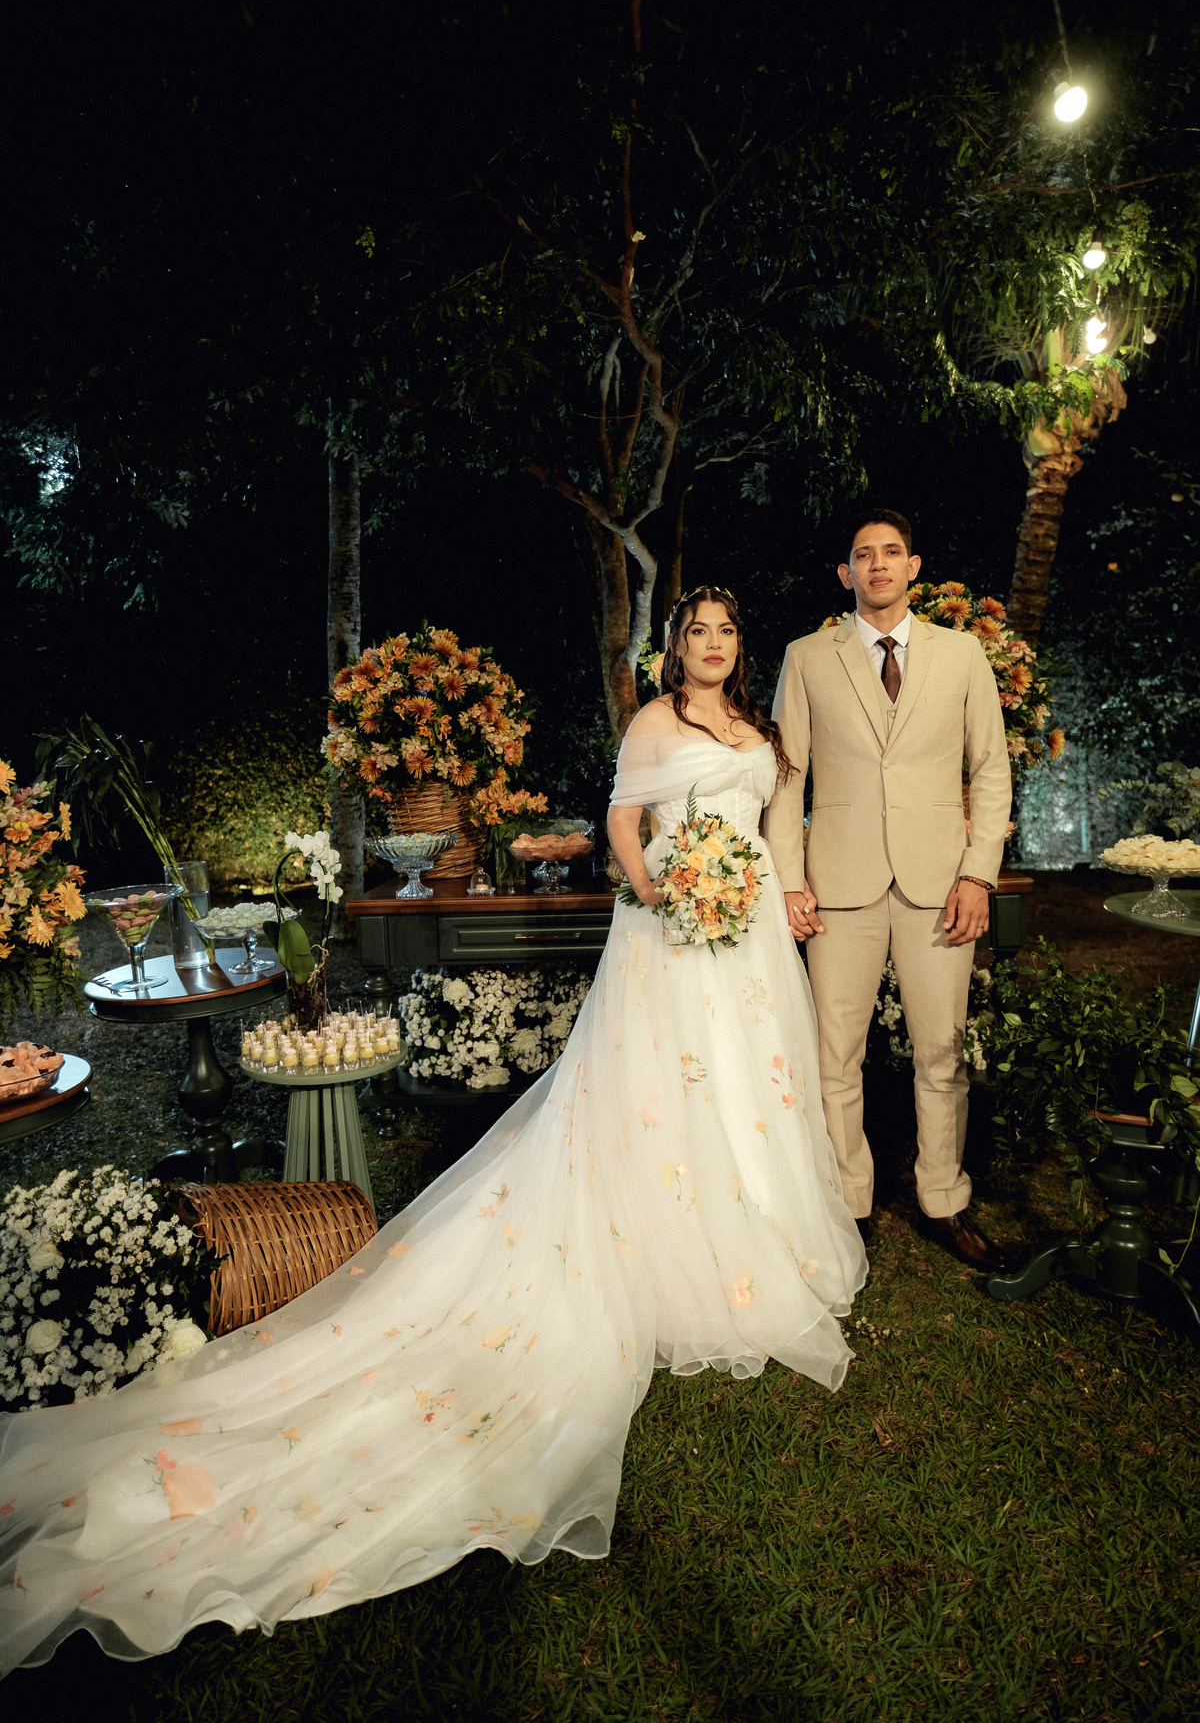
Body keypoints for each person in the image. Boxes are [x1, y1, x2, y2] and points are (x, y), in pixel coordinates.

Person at [0, 587, 865, 1676]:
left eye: (726, 632)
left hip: (749, 936)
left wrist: (770, 895)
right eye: (697, 631)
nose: (712, 645)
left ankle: (754, 1228)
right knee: (672, 1088)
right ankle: (675, 1236)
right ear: (675, 648)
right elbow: (621, 826)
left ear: (740, 648)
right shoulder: (657, 722)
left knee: (751, 1084)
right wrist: (662, 892)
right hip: (675, 933)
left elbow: (775, 827)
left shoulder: (755, 729)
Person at [767, 511, 1012, 1271]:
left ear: (913, 567)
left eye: (892, 553)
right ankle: (850, 1203)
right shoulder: (808, 657)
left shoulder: (963, 654)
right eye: (863, 555)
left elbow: (991, 769)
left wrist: (978, 873)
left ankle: (944, 1198)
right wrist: (789, 882)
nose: (878, 565)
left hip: (941, 885)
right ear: (846, 574)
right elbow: (787, 777)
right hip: (837, 886)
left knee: (942, 1053)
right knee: (834, 1056)